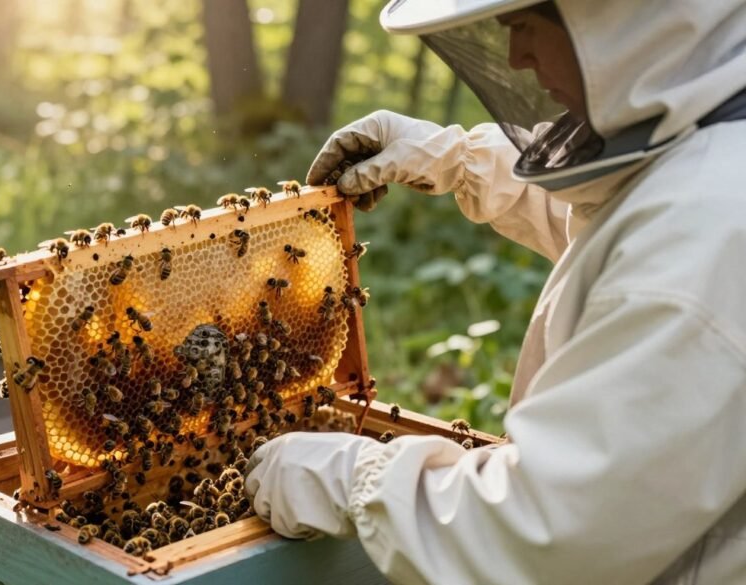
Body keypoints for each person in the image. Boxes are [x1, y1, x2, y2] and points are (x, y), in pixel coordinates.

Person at [245, 1, 746, 583]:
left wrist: (349, 479)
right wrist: (462, 159)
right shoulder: (714, 166)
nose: (515, 57)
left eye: (525, 24)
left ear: (615, 22)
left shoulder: (699, 249)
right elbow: (620, 225)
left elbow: (547, 537)